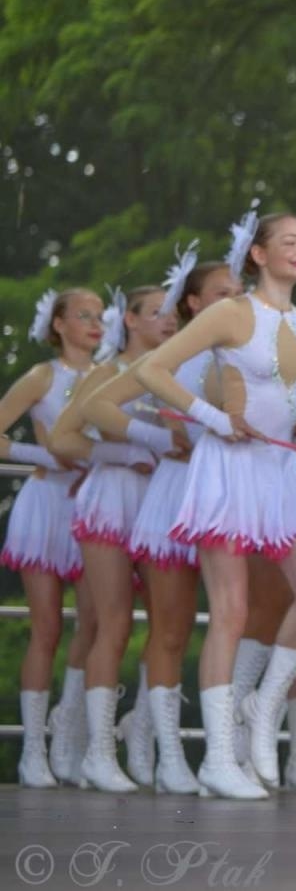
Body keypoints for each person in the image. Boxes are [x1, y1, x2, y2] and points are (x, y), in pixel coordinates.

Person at [127, 207, 296, 800]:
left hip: (283, 470)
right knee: (231, 609)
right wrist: (213, 419)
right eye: (289, 242)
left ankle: (264, 703)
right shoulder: (230, 313)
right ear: (259, 255)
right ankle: (219, 757)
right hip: (229, 468)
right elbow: (153, 369)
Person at [50, 283, 177, 792]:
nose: (168, 321)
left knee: (167, 625)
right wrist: (123, 454)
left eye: (173, 313)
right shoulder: (108, 373)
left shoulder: (179, 370)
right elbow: (63, 439)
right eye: (156, 313)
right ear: (130, 319)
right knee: (112, 622)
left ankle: (142, 738)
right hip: (113, 499)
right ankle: (97, 751)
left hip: (162, 499)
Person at [0, 288, 104, 787]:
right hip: (45, 507)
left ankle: (68, 740)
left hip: (91, 508)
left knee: (94, 624)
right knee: (46, 628)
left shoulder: (109, 378)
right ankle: (33, 749)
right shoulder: (44, 375)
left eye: (100, 316)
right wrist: (44, 458)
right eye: (83, 315)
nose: (94, 324)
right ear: (59, 324)